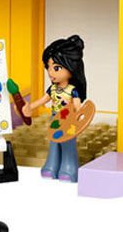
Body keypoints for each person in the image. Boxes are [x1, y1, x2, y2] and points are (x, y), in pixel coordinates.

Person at [23, 34, 89, 182]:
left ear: (71, 67)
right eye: (48, 67)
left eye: (56, 68)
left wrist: (76, 113)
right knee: (54, 141)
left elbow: (78, 107)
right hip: (55, 118)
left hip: (68, 120)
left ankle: (69, 168)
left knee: (67, 143)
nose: (50, 73)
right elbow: (43, 100)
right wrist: (30, 107)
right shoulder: (53, 89)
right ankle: (51, 165)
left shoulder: (72, 90)